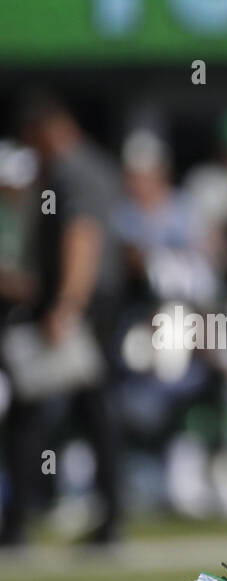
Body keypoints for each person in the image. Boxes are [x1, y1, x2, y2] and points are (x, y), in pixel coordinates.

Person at [2, 92, 125, 547]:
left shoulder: (72, 170)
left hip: (77, 306)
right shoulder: (87, 166)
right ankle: (107, 516)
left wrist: (67, 306)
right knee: (91, 413)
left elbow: (83, 236)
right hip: (79, 302)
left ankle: (20, 522)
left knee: (47, 412)